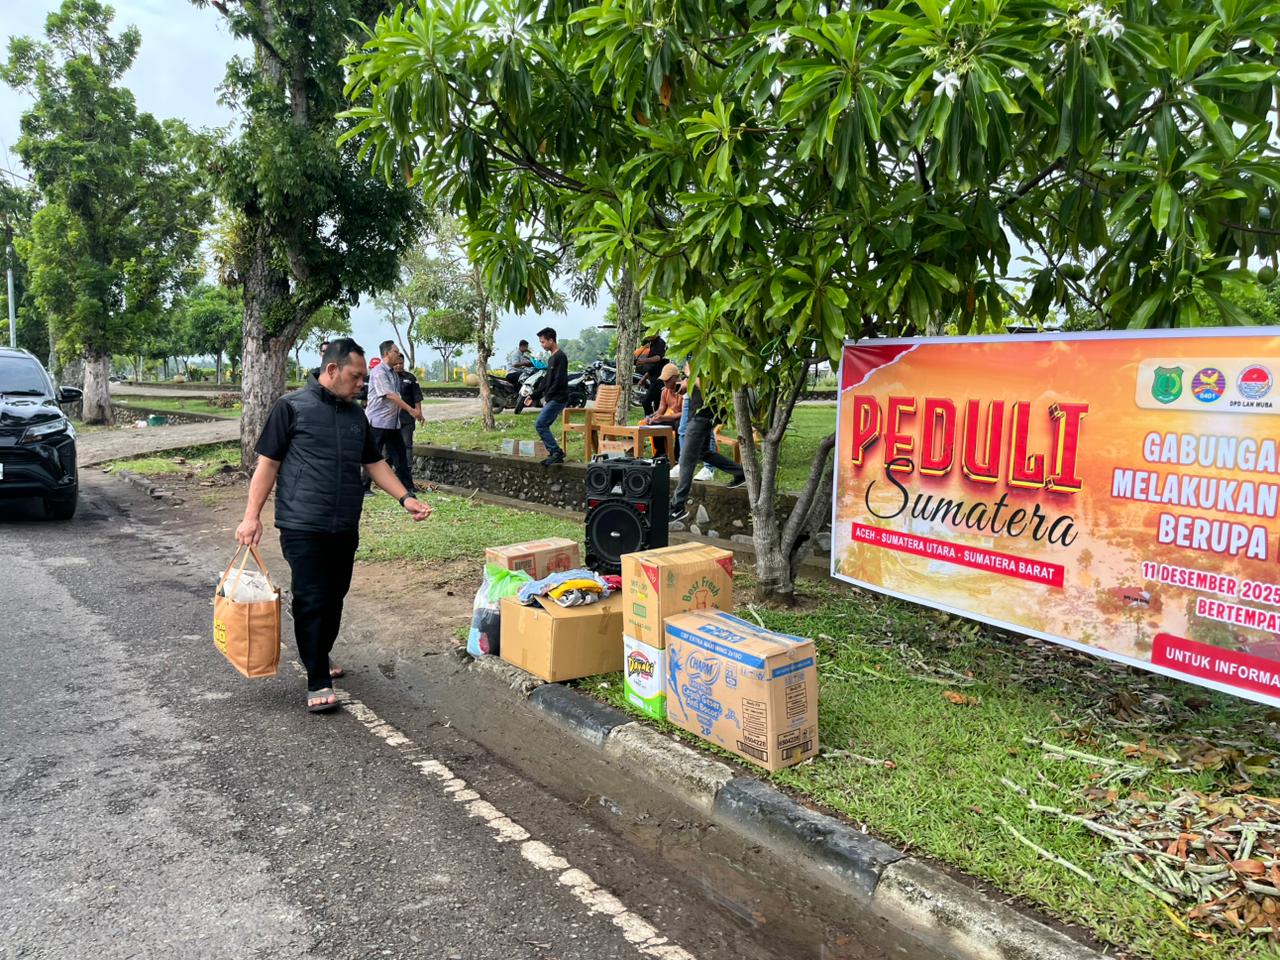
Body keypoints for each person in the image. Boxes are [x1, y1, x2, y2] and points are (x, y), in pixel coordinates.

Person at [235, 338, 432, 713]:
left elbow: (374, 463)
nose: (362, 383)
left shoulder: (357, 416)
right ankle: (317, 680)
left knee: (335, 595)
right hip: (302, 522)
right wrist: (251, 516)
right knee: (312, 597)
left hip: (344, 522)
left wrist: (405, 498)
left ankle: (319, 653)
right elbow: (268, 464)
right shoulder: (291, 407)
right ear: (331, 370)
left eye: (363, 378)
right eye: (356, 377)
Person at [670, 371, 745, 524]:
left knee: (686, 460)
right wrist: (686, 384)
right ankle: (740, 473)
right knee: (702, 453)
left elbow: (707, 386)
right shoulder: (696, 363)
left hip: (702, 415)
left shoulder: (709, 362)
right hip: (700, 413)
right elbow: (696, 384)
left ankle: (677, 506)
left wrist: (690, 376)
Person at [365, 340, 421, 494]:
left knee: (400, 456)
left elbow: (397, 396)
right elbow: (390, 395)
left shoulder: (393, 374)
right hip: (378, 423)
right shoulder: (379, 372)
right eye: (395, 351)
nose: (398, 354)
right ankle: (364, 487)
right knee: (372, 455)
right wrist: (411, 410)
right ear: (386, 354)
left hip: (392, 423)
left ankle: (408, 487)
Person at [535, 326, 568, 466]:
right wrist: (534, 395)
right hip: (552, 398)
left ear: (551, 340)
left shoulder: (560, 357)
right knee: (543, 424)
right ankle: (555, 453)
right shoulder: (551, 358)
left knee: (540, 424)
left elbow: (558, 381)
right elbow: (547, 380)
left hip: (558, 398)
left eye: (543, 342)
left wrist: (548, 398)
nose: (541, 345)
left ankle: (556, 452)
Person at [642, 362, 684, 460]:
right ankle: (661, 453)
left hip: (686, 419)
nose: (665, 382)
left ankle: (677, 456)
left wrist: (663, 417)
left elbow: (685, 413)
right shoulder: (665, 391)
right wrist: (652, 417)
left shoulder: (684, 389)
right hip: (674, 419)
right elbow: (661, 409)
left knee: (679, 424)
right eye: (664, 380)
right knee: (655, 422)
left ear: (675, 378)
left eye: (667, 380)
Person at [393, 358, 423, 459]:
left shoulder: (410, 378)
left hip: (407, 417)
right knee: (389, 446)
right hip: (390, 418)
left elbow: (417, 396)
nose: (398, 365)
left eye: (400, 363)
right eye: (396, 363)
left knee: (407, 444)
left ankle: (408, 466)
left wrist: (419, 413)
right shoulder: (387, 377)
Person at [634, 335, 667, 416]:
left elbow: (658, 358)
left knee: (646, 402)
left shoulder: (660, 343)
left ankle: (650, 420)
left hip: (660, 379)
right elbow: (653, 367)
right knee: (657, 405)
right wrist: (644, 378)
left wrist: (644, 360)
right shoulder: (651, 344)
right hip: (653, 377)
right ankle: (655, 421)